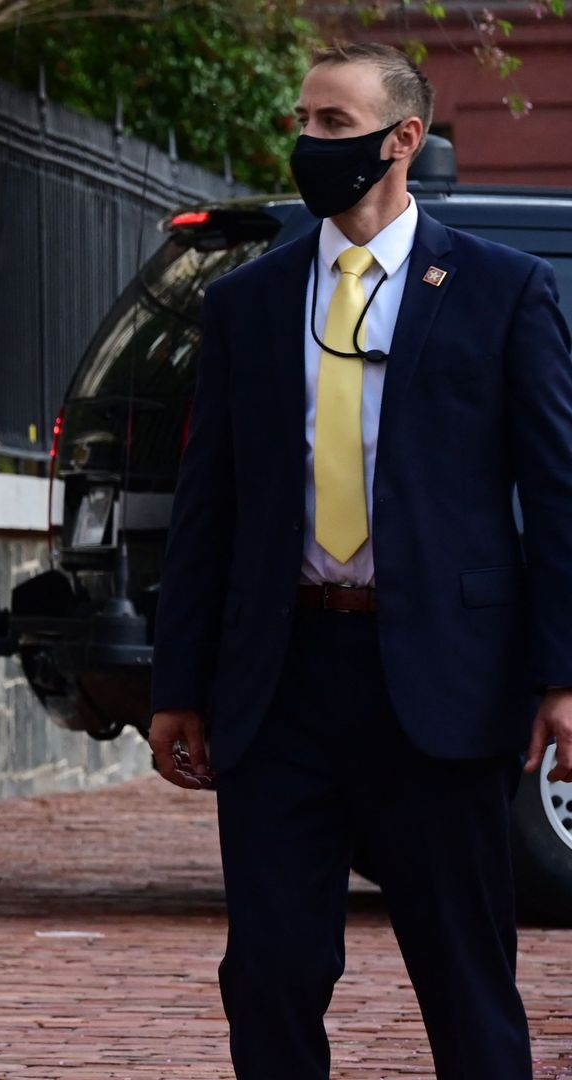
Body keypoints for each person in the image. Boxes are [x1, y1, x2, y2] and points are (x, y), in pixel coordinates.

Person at [149, 41, 572, 1079]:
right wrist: (179, 687)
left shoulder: (501, 291)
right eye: (303, 121)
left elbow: (559, 493)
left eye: (334, 123)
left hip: (443, 684)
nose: (309, 140)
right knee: (271, 974)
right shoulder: (248, 303)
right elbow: (208, 509)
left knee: (466, 976)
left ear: (403, 139)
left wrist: (563, 677)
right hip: (282, 683)